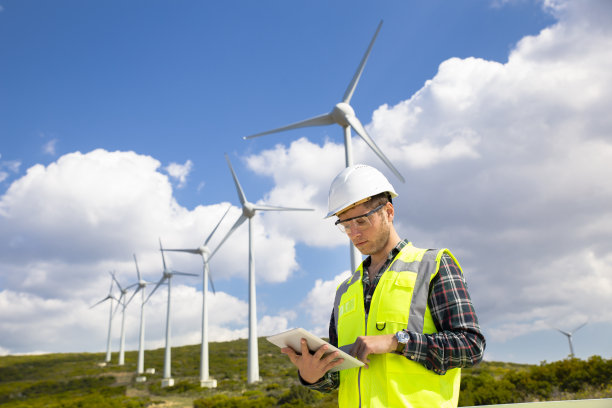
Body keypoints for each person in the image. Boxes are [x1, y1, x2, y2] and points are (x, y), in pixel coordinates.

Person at [281, 164, 486, 408]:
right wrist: (312, 375)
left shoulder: (433, 265)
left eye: (361, 221)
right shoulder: (345, 291)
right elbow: (337, 376)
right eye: (345, 225)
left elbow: (470, 347)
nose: (354, 233)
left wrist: (397, 342)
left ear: (388, 211)